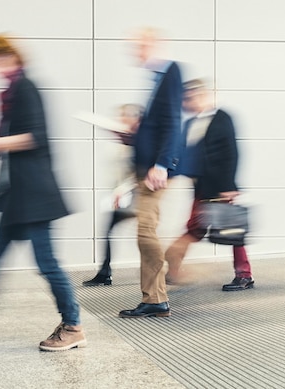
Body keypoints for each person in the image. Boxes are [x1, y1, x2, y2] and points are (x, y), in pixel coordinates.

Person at [0, 35, 86, 352]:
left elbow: (34, 137)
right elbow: (7, 139)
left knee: (46, 263)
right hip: (15, 195)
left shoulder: (26, 88)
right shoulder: (10, 93)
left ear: (11, 58)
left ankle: (74, 325)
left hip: (33, 196)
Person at [164, 79, 254, 291]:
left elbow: (232, 152)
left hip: (221, 187)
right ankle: (173, 269)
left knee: (232, 231)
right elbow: (184, 157)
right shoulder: (189, 124)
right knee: (195, 228)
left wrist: (229, 186)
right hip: (201, 188)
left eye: (190, 98)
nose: (186, 102)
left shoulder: (223, 118)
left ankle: (244, 275)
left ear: (203, 96)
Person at [119, 28, 182, 319]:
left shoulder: (170, 72)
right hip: (145, 169)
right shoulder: (156, 77)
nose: (137, 52)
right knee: (145, 231)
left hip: (154, 171)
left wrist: (161, 164)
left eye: (141, 46)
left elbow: (172, 123)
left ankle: (156, 298)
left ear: (157, 44)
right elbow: (157, 125)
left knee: (146, 231)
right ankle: (154, 297)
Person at [83, 104, 142, 286]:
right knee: (111, 231)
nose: (121, 120)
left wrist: (122, 190)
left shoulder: (140, 141)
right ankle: (104, 272)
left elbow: (138, 174)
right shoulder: (125, 139)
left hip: (137, 196)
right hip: (122, 196)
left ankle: (163, 268)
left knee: (146, 236)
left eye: (125, 116)